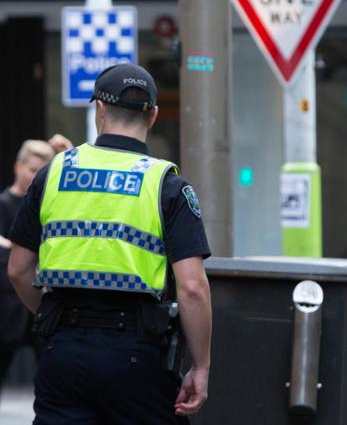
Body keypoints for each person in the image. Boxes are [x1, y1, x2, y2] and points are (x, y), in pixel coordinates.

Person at [8, 63, 213, 424]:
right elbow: (193, 287)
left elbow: (19, 270)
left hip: (63, 350)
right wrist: (201, 366)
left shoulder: (53, 172)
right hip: (137, 354)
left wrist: (53, 318)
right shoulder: (166, 184)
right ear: (152, 115)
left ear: (99, 109)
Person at [0, 140, 55, 397]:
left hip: (40, 300)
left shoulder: (50, 205)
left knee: (51, 378)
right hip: (7, 303)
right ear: (17, 167)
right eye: (32, 170)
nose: (36, 177)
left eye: (42, 171)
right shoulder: (4, 204)